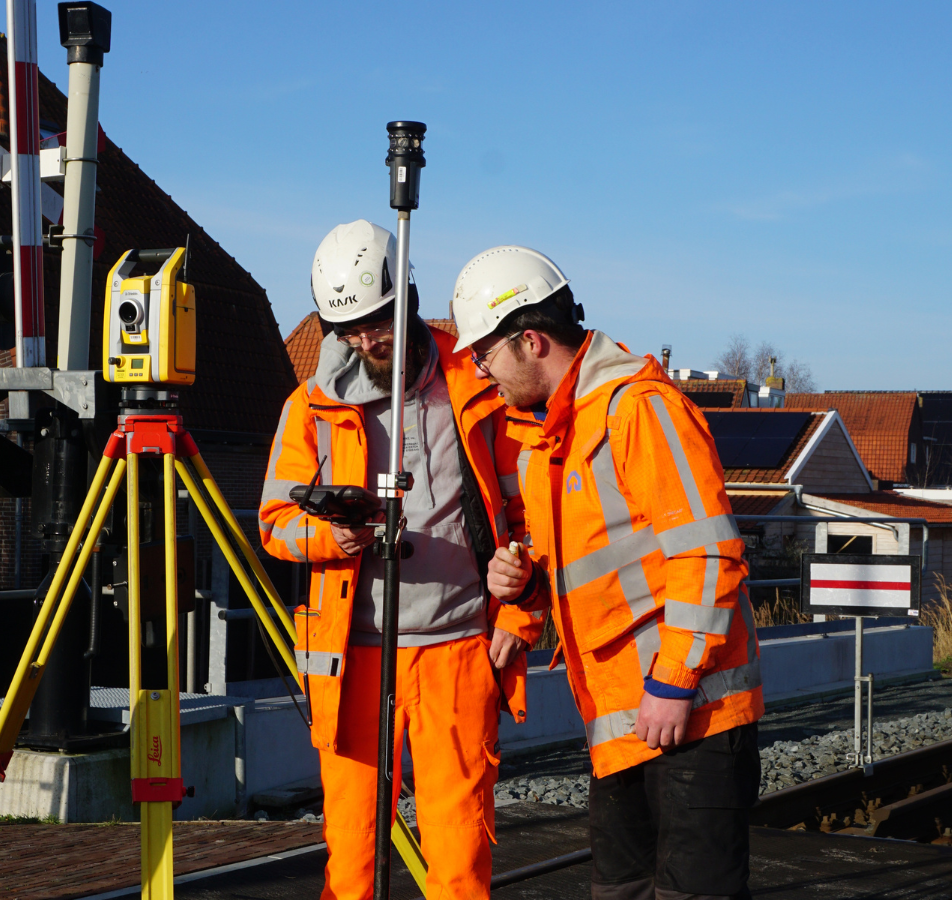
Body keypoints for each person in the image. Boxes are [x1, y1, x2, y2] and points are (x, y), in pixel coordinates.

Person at [450, 245, 764, 900]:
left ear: (530, 340)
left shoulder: (640, 410)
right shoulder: (555, 436)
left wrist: (674, 683)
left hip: (691, 714)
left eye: (485, 356)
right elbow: (590, 566)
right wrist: (525, 586)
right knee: (619, 891)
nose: (482, 373)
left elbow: (706, 554)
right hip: (622, 723)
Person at [259, 221, 545, 900]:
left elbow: (534, 513)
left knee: (460, 855)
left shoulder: (478, 384)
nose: (365, 340)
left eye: (375, 322)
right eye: (348, 328)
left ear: (406, 296)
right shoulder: (310, 408)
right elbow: (275, 525)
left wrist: (521, 617)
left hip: (459, 652)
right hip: (353, 658)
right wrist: (338, 539)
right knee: (353, 858)